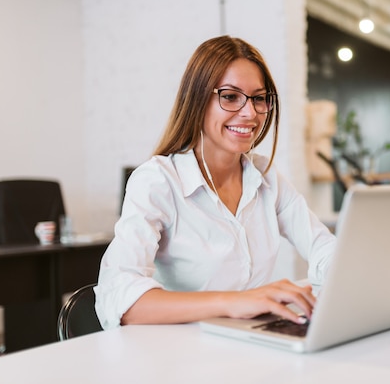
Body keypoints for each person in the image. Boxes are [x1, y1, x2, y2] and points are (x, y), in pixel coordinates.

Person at [94, 35, 336, 330]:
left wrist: (345, 272)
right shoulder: (157, 181)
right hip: (174, 355)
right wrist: (234, 302)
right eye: (230, 96)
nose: (249, 113)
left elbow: (323, 247)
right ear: (197, 100)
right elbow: (120, 298)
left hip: (244, 344)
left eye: (258, 98)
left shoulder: (266, 178)